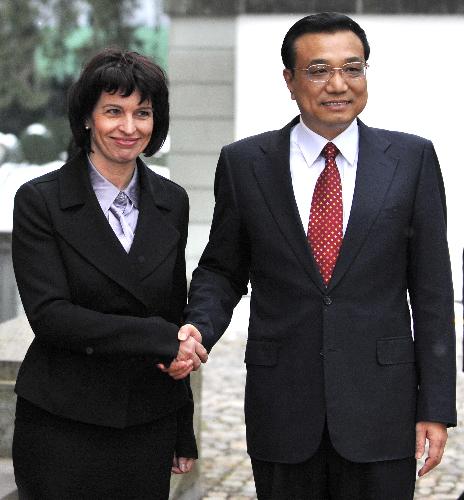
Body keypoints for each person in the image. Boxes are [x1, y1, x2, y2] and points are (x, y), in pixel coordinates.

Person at [165, 12, 456, 500]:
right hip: (282, 405)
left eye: (353, 68)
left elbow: (432, 291)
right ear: (290, 80)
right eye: (319, 70)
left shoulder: (412, 159)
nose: (338, 84)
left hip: (382, 407)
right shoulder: (244, 163)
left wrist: (436, 406)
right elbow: (222, 268)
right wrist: (199, 328)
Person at [12, 48, 207, 499]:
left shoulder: (171, 200)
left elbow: (172, 308)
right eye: (113, 111)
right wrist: (161, 338)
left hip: (148, 421)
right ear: (86, 118)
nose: (129, 127)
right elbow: (51, 316)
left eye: (143, 112)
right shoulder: (40, 201)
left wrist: (183, 427)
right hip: (62, 422)